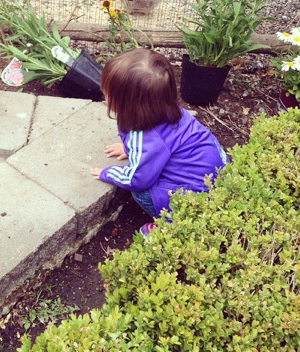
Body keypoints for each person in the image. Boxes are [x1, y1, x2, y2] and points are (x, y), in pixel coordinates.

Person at [90, 48, 228, 234]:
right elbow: (162, 146)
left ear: (128, 105)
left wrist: (108, 173)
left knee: (141, 193)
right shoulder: (171, 111)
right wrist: (129, 149)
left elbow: (137, 179)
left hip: (196, 200)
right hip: (217, 179)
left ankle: (171, 226)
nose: (103, 93)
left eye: (107, 93)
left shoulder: (146, 136)